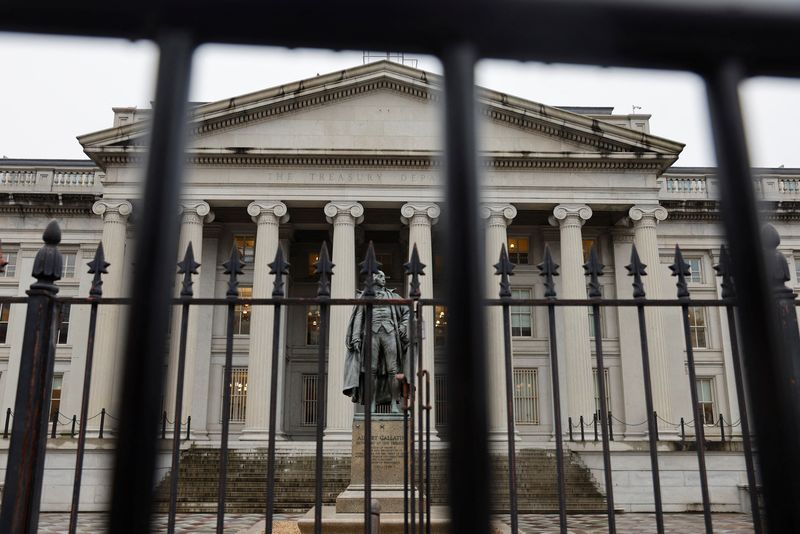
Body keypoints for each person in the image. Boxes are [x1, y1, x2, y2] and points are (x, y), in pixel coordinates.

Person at [343, 270, 410, 413]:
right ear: (373, 278)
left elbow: (407, 310)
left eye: (384, 276)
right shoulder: (364, 296)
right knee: (371, 371)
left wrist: (403, 325)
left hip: (390, 333)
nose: (383, 278)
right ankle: (372, 404)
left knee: (393, 370)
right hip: (371, 334)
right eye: (380, 276)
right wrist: (355, 337)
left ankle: (393, 404)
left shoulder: (393, 296)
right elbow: (359, 317)